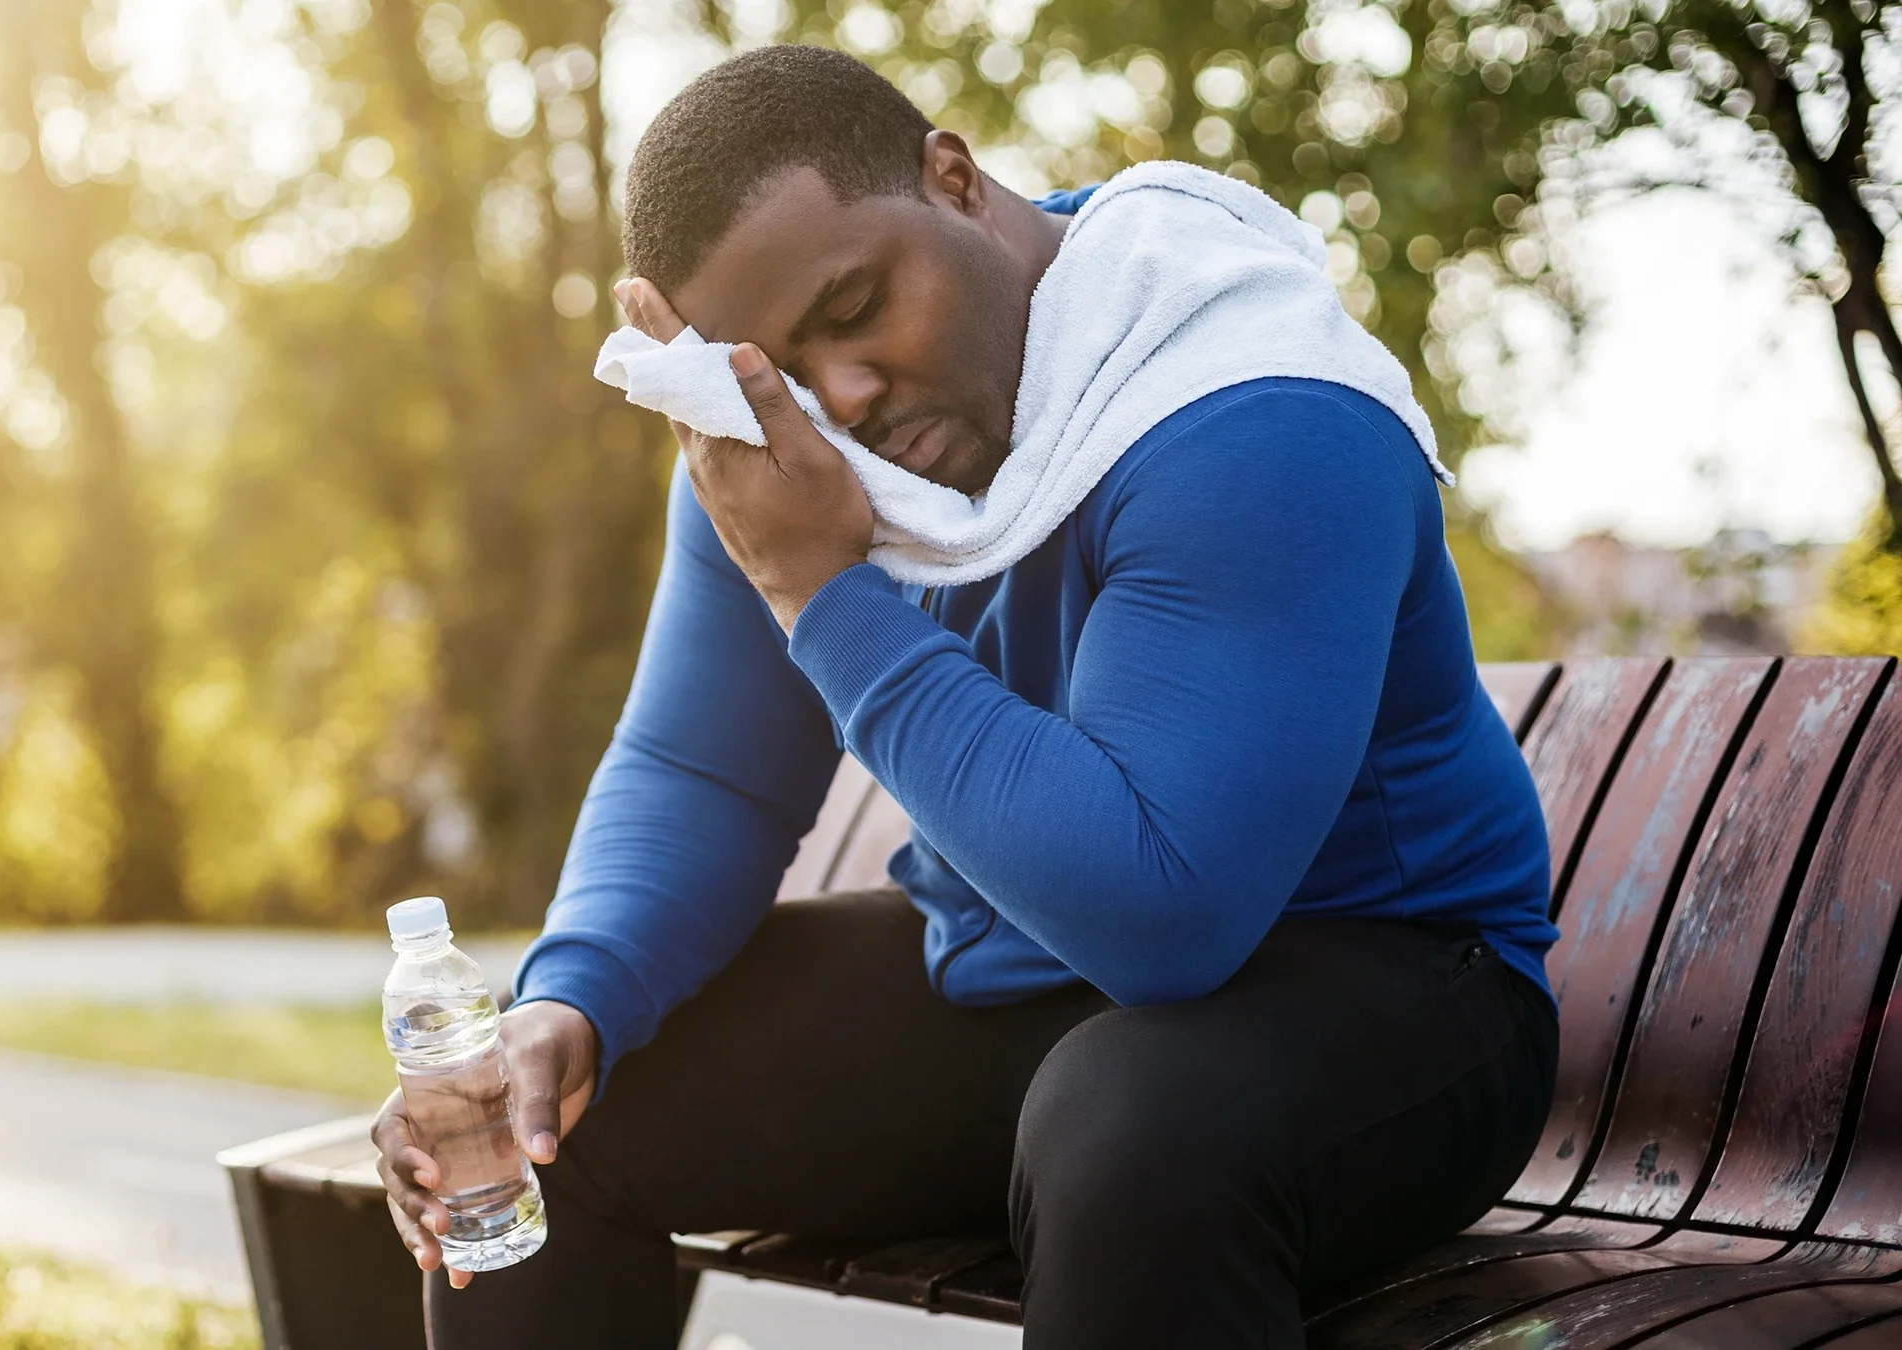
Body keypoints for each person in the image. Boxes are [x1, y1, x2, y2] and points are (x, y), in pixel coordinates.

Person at [374, 43, 1560, 1350]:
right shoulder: (773, 446)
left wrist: (826, 595)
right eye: (772, 364)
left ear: (954, 178)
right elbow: (701, 769)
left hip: (1388, 987)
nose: (843, 396)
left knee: (1132, 1130)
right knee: (557, 1111)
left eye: (857, 303)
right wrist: (570, 996)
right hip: (1031, 980)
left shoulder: (1249, 402)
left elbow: (1169, 910)